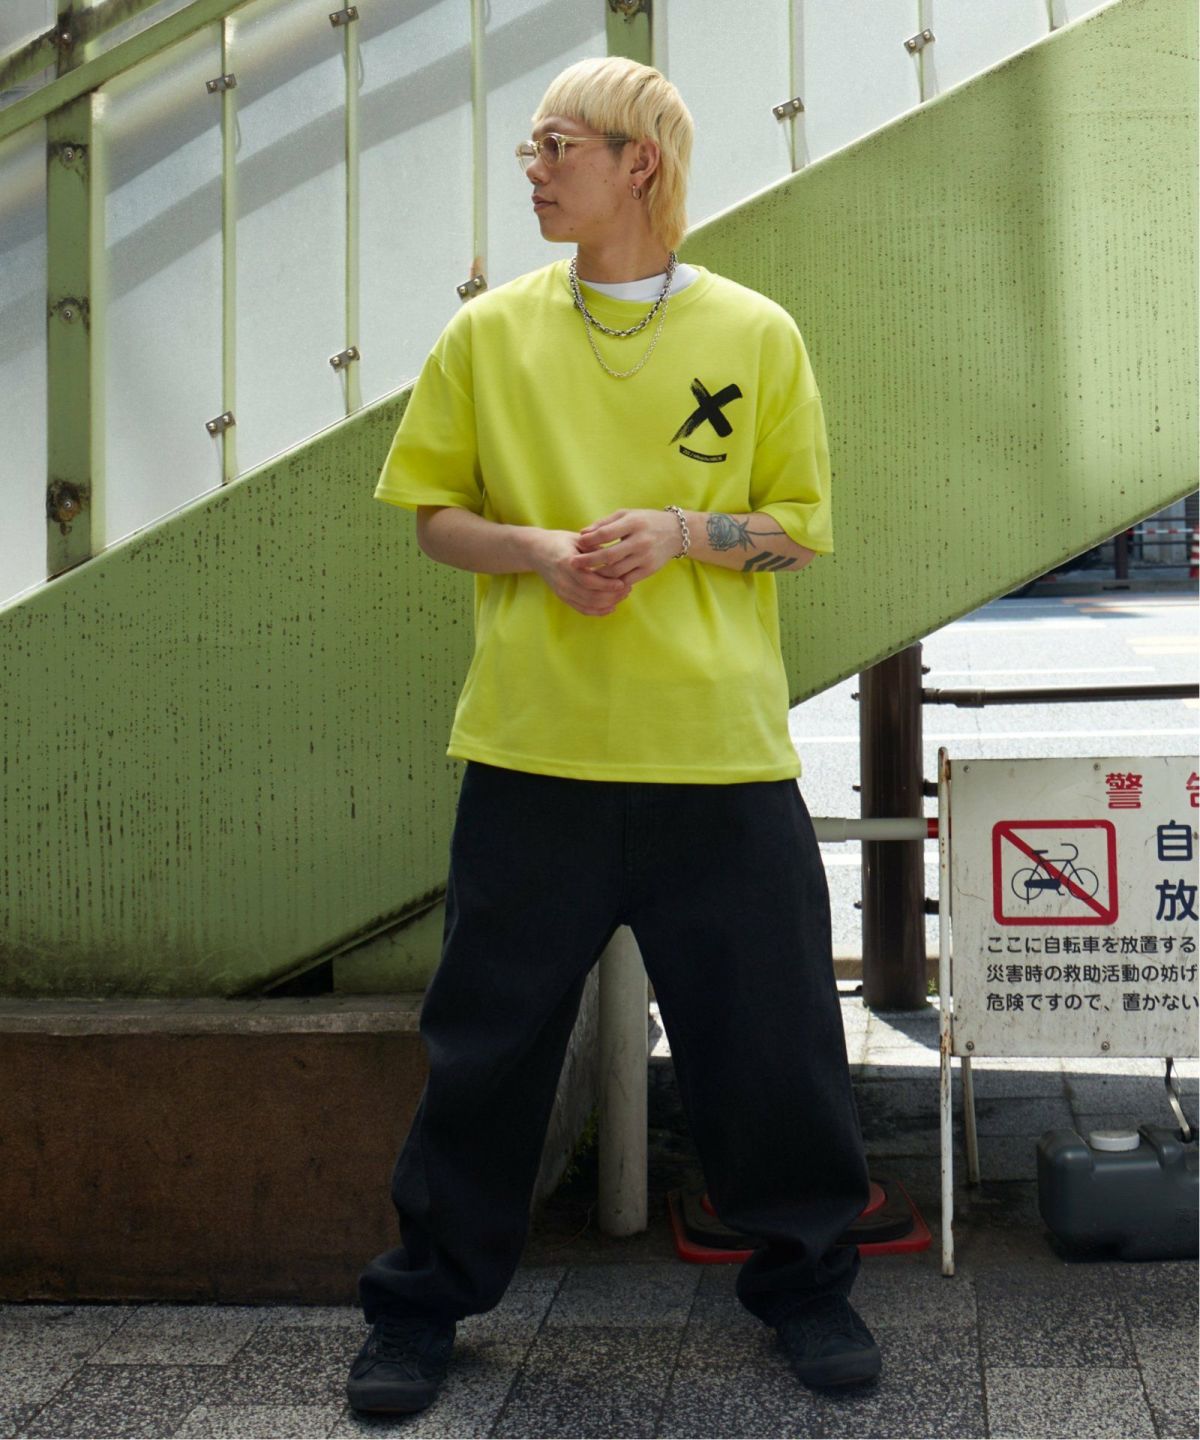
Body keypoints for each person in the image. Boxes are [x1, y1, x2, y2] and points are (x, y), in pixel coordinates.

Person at [346, 55, 880, 1416]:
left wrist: (684, 531)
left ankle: (809, 1290)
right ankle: (419, 1308)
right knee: (484, 1050)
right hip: (535, 753)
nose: (531, 169)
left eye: (556, 145)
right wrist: (538, 549)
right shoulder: (488, 335)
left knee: (774, 1047)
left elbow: (798, 531)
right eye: (531, 147)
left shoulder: (755, 332)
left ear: (640, 160)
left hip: (719, 755)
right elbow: (435, 519)